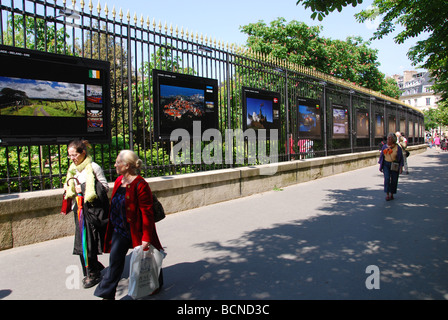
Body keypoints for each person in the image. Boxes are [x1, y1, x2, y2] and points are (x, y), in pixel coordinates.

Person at [94, 150, 164, 300]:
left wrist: (146, 237)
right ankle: (107, 294)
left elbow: (147, 213)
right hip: (120, 230)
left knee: (148, 256)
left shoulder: (140, 184)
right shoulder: (119, 180)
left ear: (126, 165)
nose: (115, 165)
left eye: (118, 162)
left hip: (136, 230)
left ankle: (156, 282)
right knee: (115, 262)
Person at [63, 139, 110, 288]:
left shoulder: (93, 167)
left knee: (87, 242)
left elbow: (104, 187)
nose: (72, 158)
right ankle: (91, 269)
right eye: (70, 155)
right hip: (78, 210)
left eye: (74, 155)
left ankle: (93, 273)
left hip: (91, 210)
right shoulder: (72, 169)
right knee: (81, 242)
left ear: (83, 153)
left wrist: (82, 188)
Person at [378, 133, 404, 201]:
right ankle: (387, 194)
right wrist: (381, 166)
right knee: (386, 179)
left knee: (394, 179)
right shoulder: (384, 147)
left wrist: (401, 167)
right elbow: (382, 157)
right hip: (386, 164)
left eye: (390, 138)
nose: (388, 140)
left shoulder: (397, 147)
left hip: (394, 165)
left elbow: (401, 158)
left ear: (393, 139)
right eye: (388, 138)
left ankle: (392, 193)